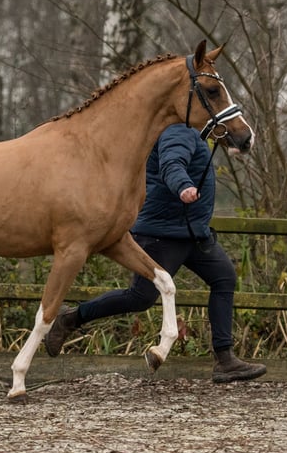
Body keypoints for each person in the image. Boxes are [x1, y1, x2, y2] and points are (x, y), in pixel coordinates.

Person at [43, 123, 266, 383]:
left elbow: (214, 136)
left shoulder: (192, 131)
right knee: (140, 298)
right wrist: (183, 185)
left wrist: (239, 142)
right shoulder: (177, 129)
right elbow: (172, 162)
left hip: (192, 233)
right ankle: (70, 319)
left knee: (224, 277)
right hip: (163, 235)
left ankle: (225, 360)